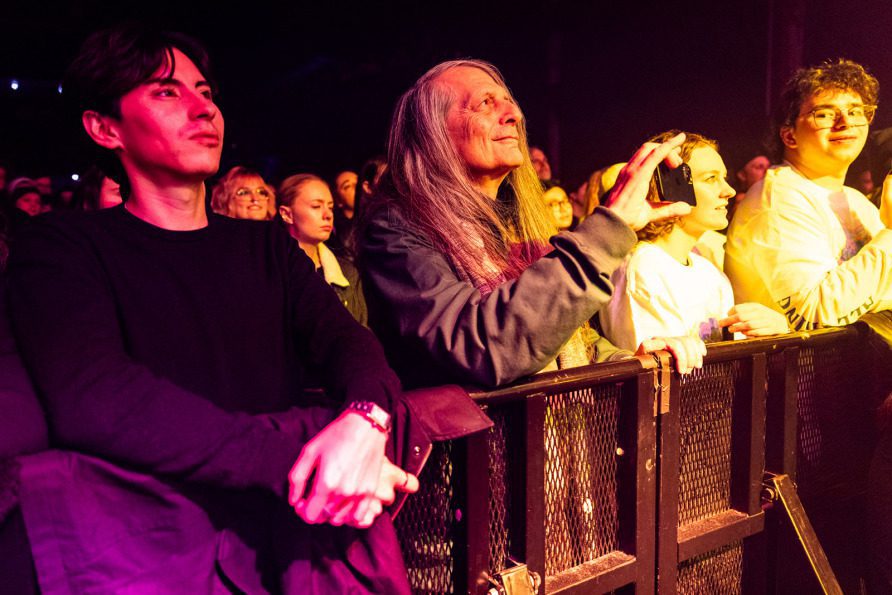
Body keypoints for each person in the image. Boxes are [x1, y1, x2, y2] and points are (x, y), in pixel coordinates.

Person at [8, 24, 422, 593]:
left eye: (205, 90)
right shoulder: (62, 247)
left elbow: (345, 340)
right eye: (166, 91)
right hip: (143, 544)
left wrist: (364, 420)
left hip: (276, 536)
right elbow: (98, 397)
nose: (203, 108)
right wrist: (300, 458)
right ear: (105, 128)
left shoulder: (264, 246)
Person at [359, 59, 702, 390]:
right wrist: (610, 228)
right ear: (432, 133)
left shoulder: (514, 221)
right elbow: (484, 347)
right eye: (485, 103)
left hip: (553, 445)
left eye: (509, 102)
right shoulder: (396, 229)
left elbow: (567, 337)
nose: (514, 115)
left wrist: (629, 361)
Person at [725, 58, 892, 330]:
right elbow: (814, 311)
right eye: (825, 113)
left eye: (856, 111)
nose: (845, 122)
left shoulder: (855, 201)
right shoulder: (778, 197)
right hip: (793, 371)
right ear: (790, 136)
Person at [601, 131, 789, 351]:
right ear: (671, 188)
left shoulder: (709, 272)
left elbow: (729, 359)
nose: (728, 191)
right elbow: (655, 378)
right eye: (711, 179)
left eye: (724, 178)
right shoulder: (644, 267)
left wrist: (774, 330)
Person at [278, 173, 367, 324]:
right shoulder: (273, 272)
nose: (327, 215)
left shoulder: (346, 272)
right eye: (316, 206)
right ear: (287, 214)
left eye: (330, 207)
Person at [210, 165, 276, 220]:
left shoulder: (278, 234)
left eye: (261, 192)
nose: (255, 199)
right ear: (226, 199)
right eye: (244, 193)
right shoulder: (218, 234)